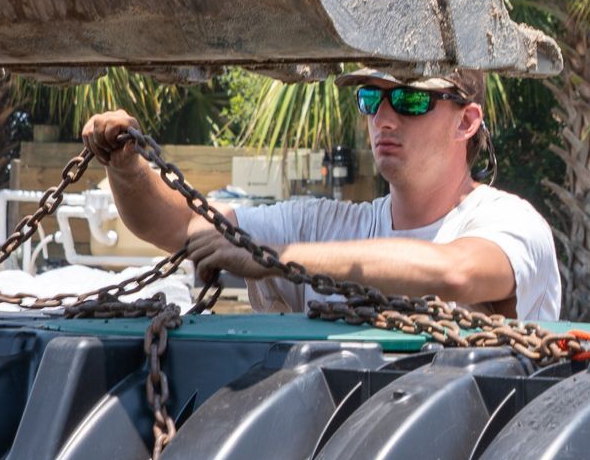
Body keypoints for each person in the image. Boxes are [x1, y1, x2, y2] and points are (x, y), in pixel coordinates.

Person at [82, 71, 562, 321]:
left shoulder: (510, 223)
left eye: (412, 100)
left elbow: (454, 271)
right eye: (372, 100)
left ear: (467, 121)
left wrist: (276, 258)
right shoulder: (324, 226)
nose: (385, 119)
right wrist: (127, 168)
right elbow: (178, 228)